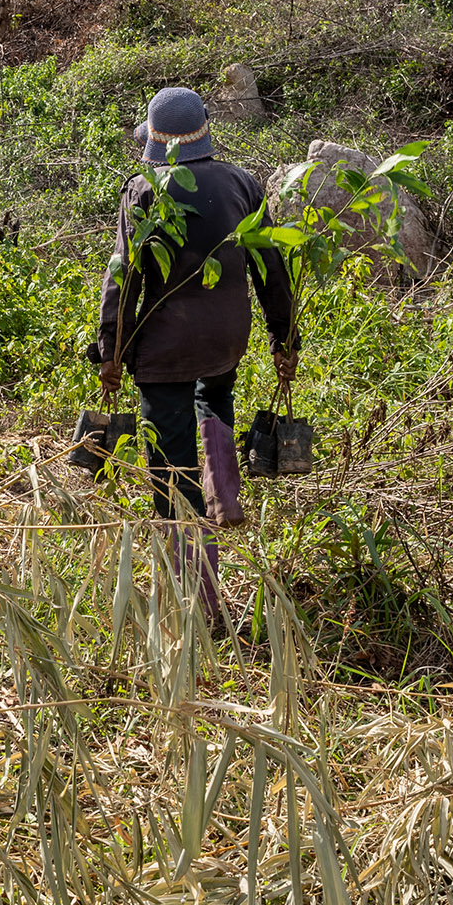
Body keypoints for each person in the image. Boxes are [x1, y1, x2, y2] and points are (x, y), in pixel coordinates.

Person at [88, 86, 297, 623]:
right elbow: (270, 268)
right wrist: (284, 337)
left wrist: (110, 350)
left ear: (155, 143)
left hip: (162, 351)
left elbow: (123, 275)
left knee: (171, 469)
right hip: (225, 340)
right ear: (205, 130)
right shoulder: (241, 183)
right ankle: (223, 486)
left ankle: (198, 601)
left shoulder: (143, 189)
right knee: (214, 396)